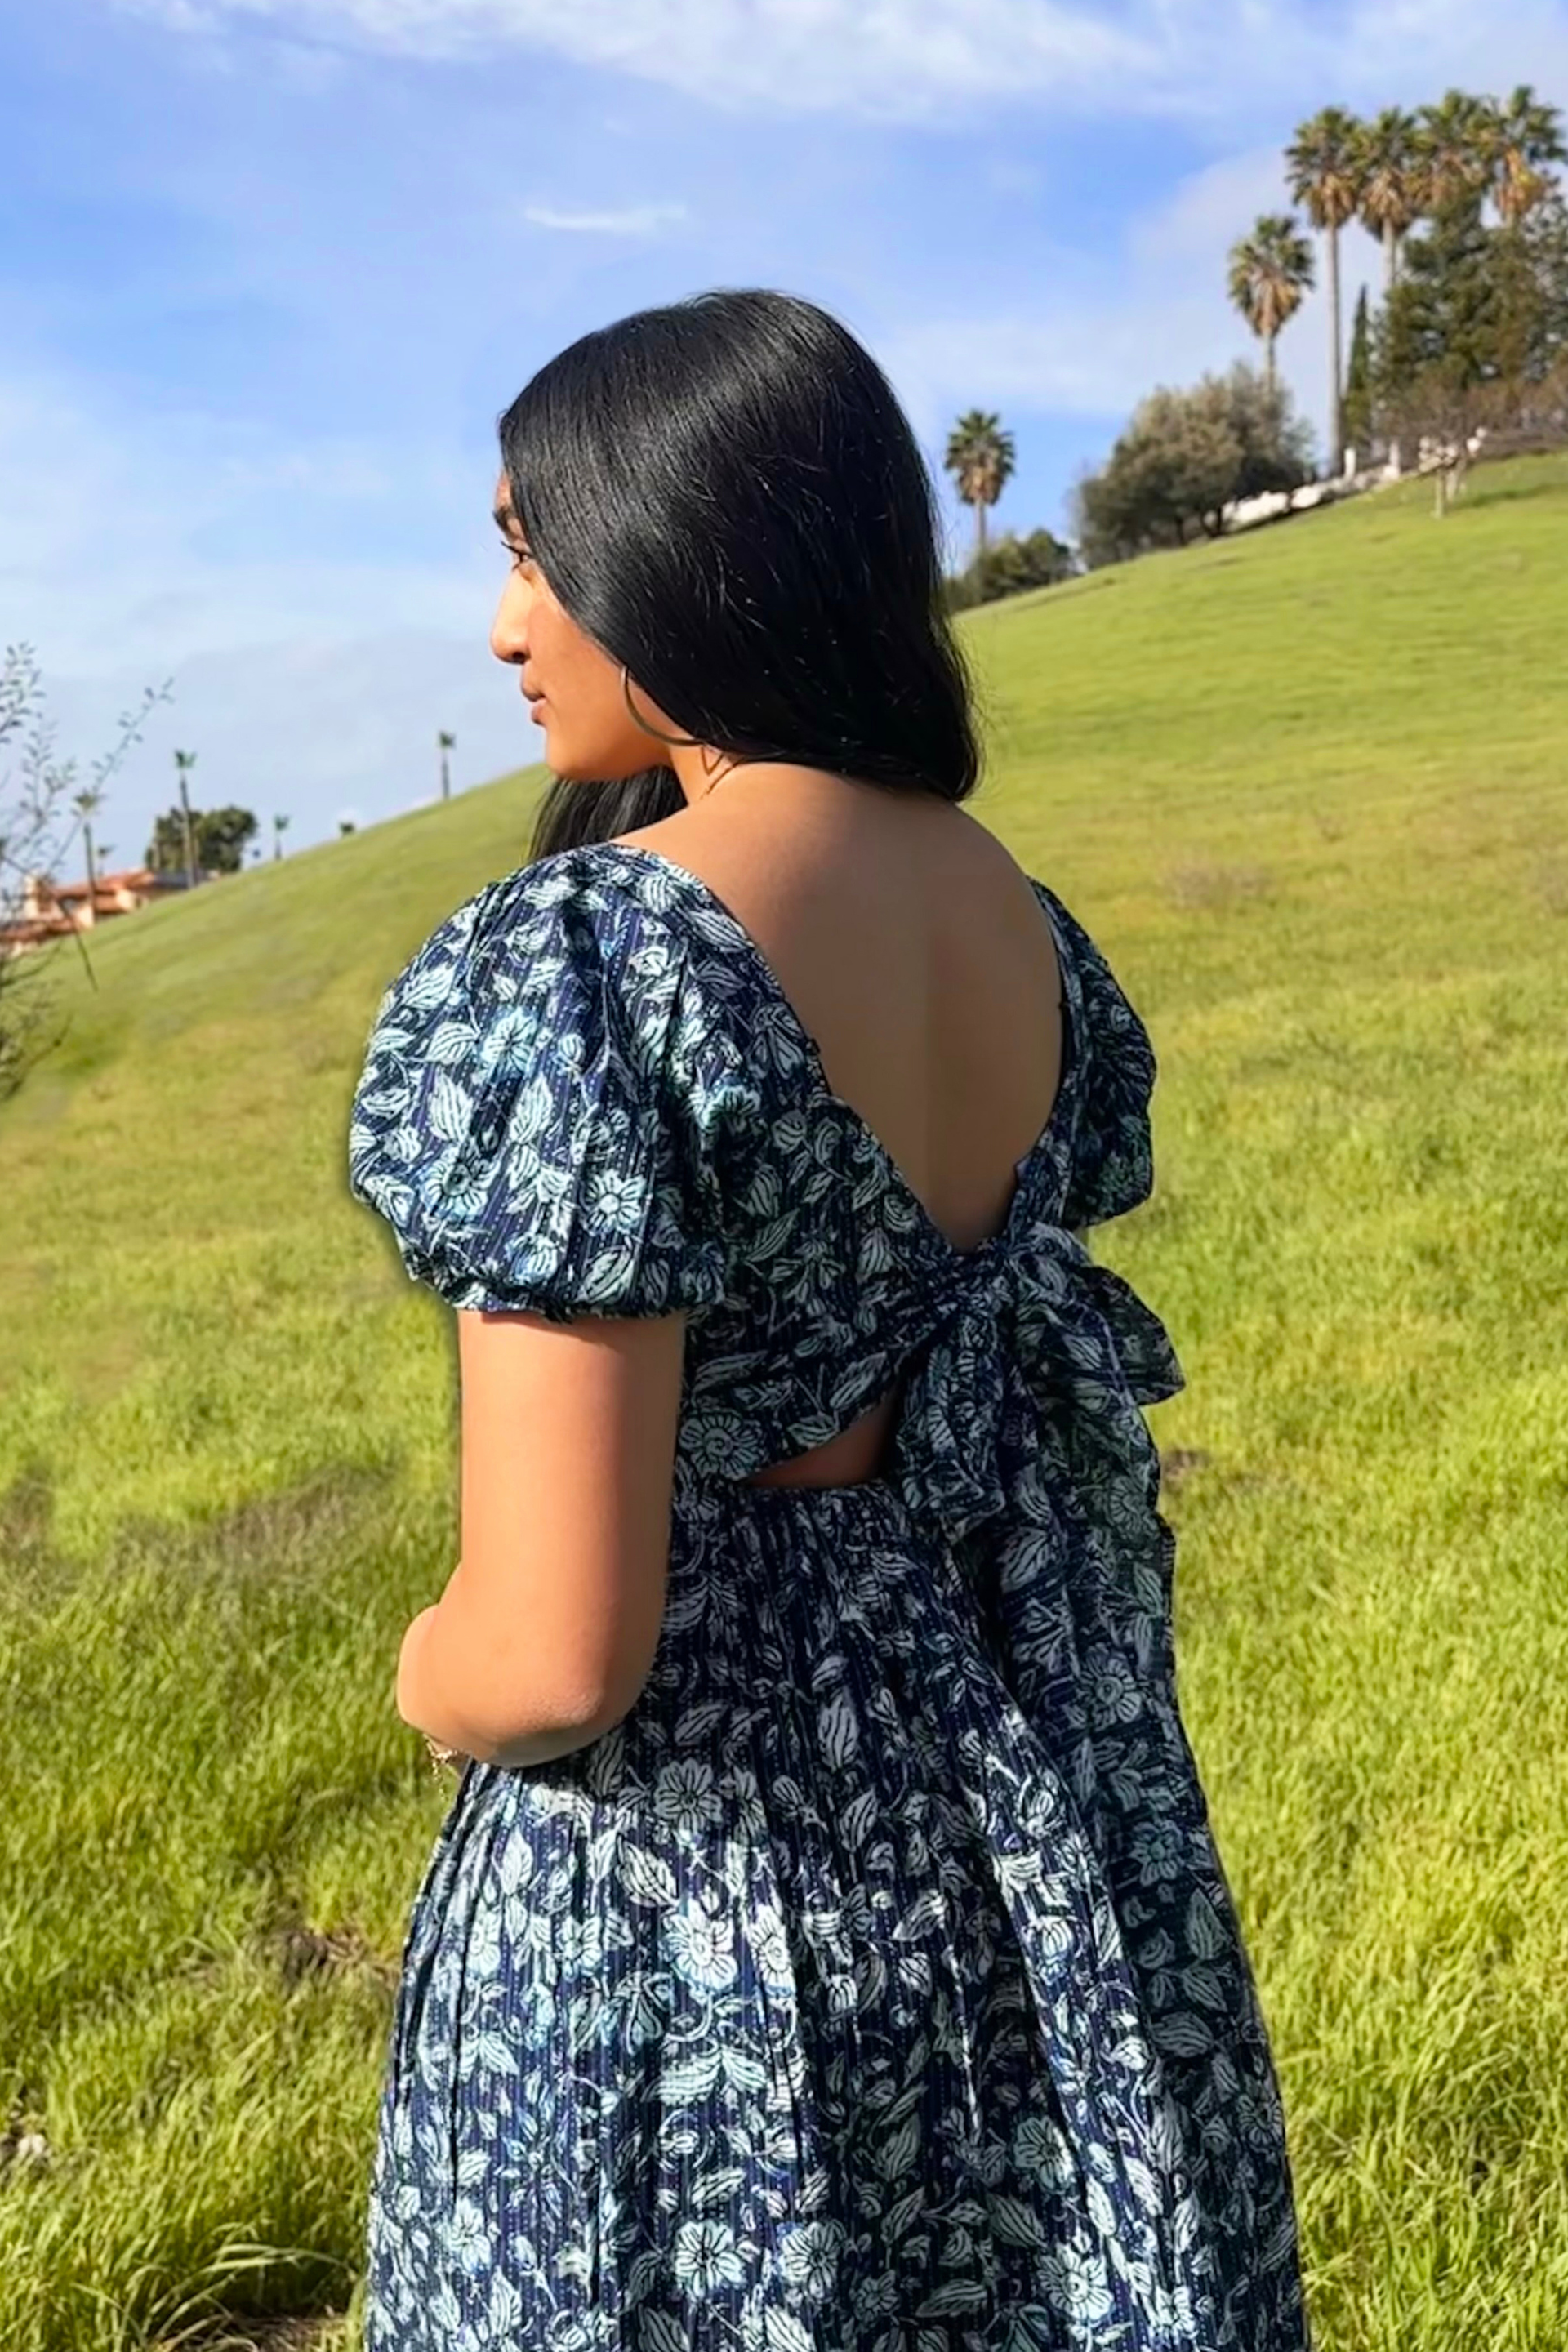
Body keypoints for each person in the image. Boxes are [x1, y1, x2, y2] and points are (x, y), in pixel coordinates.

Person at [347, 288, 1310, 2350]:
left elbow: (551, 1660)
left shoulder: (591, 962)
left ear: (675, 547)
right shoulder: (1018, 922)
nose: (506, 627)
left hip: (706, 1902)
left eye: (532, 552)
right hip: (1031, 1832)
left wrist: (425, 1670)